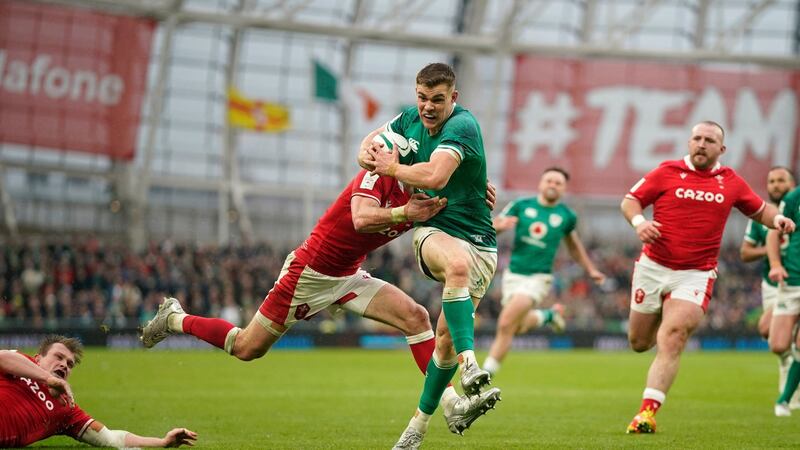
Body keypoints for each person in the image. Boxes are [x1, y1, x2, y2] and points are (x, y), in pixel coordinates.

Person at [141, 165, 500, 434]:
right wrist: (405, 213)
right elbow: (361, 220)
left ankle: (451, 403)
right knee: (246, 348)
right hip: (309, 274)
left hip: (347, 275)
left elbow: (461, 194)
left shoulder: (427, 193)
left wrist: (476, 193)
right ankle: (175, 317)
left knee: (416, 316)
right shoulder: (377, 177)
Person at [620, 120, 795, 434]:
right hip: (652, 268)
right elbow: (630, 201)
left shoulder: (730, 181)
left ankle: (647, 413)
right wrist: (638, 223)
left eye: (709, 140)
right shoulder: (666, 172)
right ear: (689, 143)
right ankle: (662, 313)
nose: (702, 144)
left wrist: (779, 218)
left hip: (695, 274)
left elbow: (759, 210)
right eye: (697, 138)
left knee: (673, 336)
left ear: (721, 149)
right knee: (639, 342)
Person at [360, 62, 500, 449]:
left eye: (437, 99)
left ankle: (416, 428)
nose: (428, 107)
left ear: (453, 98)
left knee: (443, 345)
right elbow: (365, 150)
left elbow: (437, 176)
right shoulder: (407, 120)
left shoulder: (463, 126)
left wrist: (394, 167)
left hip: (482, 242)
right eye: (422, 98)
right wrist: (377, 157)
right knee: (456, 264)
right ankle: (471, 365)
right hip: (434, 230)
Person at [482, 167, 606, 376]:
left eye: (558, 183)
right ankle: (548, 315)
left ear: (563, 189)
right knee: (517, 326)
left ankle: (485, 374)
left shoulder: (566, 215)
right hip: (513, 275)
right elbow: (492, 227)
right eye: (549, 180)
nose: (553, 185)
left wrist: (591, 269)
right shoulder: (522, 205)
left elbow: (573, 246)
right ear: (541, 183)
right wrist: (500, 226)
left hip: (538, 278)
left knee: (505, 323)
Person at [0, 334, 197, 448]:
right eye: (58, 357)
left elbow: (112, 438)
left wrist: (162, 442)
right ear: (37, 358)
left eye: (69, 364)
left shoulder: (67, 410)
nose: (64, 365)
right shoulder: (20, 363)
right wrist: (47, 378)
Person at [739, 167, 798, 409]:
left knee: (773, 331)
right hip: (774, 284)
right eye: (771, 181)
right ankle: (790, 393)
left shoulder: (794, 205)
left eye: (781, 180)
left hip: (793, 280)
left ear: (792, 183)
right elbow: (745, 252)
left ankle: (788, 396)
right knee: (773, 337)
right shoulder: (763, 218)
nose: (775, 185)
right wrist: (773, 256)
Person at [766, 181, 800, 416]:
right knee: (778, 344)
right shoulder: (794, 197)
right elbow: (772, 232)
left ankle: (783, 400)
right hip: (791, 280)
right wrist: (776, 264)